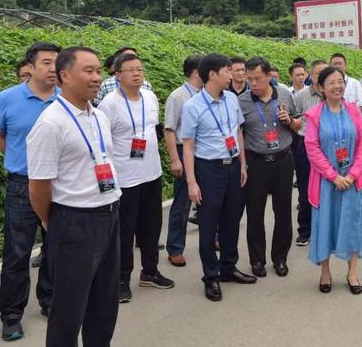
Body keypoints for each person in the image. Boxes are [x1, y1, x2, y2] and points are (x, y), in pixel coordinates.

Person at [26, 46, 122, 346]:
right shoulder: (51, 123)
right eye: (88, 71)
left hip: (109, 214)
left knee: (104, 304)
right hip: (74, 220)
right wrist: (51, 220)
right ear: (64, 76)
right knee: (69, 310)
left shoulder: (99, 115)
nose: (96, 77)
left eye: (98, 70)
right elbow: (39, 185)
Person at [0, 42, 60, 341]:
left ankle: (50, 300)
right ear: (30, 67)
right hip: (23, 184)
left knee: (55, 248)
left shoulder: (65, 99)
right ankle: (11, 314)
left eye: (58, 62)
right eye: (46, 62)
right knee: (17, 251)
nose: (53, 68)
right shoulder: (9, 97)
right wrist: (17, 158)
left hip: (59, 184)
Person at [98, 54, 174, 303]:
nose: (137, 73)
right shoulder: (109, 104)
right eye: (130, 70)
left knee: (151, 226)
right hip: (125, 178)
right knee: (124, 231)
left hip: (151, 173)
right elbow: (102, 144)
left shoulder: (150, 98)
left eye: (140, 69)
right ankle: (121, 278)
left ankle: (150, 272)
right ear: (117, 75)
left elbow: (152, 131)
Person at [181, 53, 256, 302]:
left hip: (233, 166)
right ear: (212, 74)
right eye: (227, 71)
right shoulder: (193, 107)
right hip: (208, 169)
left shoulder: (232, 99)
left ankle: (228, 267)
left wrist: (243, 164)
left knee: (232, 220)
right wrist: (191, 182)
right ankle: (210, 276)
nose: (232, 75)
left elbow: (238, 132)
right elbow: (188, 147)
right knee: (209, 224)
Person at [304, 66, 362, 295]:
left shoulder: (353, 112)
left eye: (340, 81)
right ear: (321, 87)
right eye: (331, 82)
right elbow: (312, 149)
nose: (337, 86)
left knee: (352, 223)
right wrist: (334, 176)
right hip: (325, 183)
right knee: (325, 224)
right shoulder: (313, 116)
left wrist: (352, 174)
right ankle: (325, 272)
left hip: (351, 180)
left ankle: (352, 272)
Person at [239, 57, 300, 277]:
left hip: (283, 160)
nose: (253, 84)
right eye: (250, 79)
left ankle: (280, 258)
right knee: (255, 214)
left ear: (268, 77)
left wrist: (290, 121)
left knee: (283, 212)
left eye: (257, 79)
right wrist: (243, 165)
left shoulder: (284, 94)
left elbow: (298, 122)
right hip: (256, 163)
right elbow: (238, 134)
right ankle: (257, 260)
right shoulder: (242, 101)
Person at [164, 55, 204, 267]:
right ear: (197, 72)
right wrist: (174, 160)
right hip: (182, 149)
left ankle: (211, 237)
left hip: (203, 150)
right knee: (182, 203)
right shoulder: (177, 96)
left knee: (209, 198)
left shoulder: (205, 95)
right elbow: (170, 129)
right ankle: (175, 248)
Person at [293, 60, 328, 246]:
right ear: (310, 76)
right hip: (306, 146)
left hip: (330, 148)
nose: (321, 77)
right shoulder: (301, 96)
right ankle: (304, 230)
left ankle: (327, 228)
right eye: (317, 74)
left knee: (329, 189)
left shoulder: (335, 94)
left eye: (325, 72)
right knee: (306, 189)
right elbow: (295, 119)